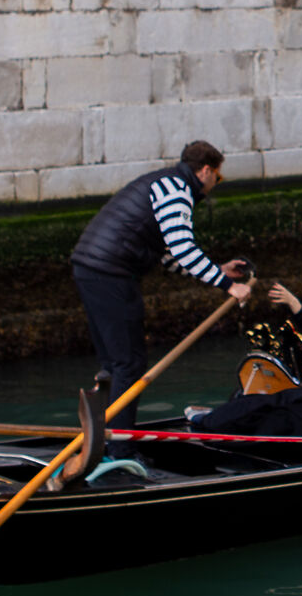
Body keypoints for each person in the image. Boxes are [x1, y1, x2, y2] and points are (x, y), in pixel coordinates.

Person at [69, 141, 252, 406]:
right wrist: (228, 285)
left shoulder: (164, 182)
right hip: (111, 273)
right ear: (205, 171)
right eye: (218, 177)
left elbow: (166, 254)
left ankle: (102, 426)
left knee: (114, 362)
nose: (216, 183)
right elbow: (183, 248)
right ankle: (118, 433)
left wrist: (218, 269)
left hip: (88, 269)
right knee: (129, 363)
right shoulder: (177, 191)